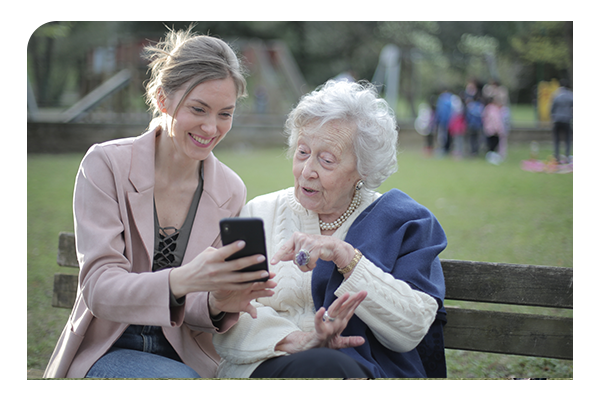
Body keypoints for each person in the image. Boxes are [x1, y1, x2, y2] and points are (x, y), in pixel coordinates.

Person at [43, 27, 276, 379]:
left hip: (187, 357)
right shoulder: (105, 165)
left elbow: (197, 305)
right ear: (161, 98)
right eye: (198, 109)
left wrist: (217, 301)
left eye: (225, 113)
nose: (211, 128)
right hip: (107, 349)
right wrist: (182, 279)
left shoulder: (230, 188)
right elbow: (99, 288)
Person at [213, 80, 448, 379]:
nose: (307, 170)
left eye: (326, 160)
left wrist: (347, 257)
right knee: (324, 367)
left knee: (330, 369)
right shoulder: (259, 213)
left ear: (363, 169)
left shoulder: (403, 222)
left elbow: (412, 328)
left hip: (358, 372)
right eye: (302, 152)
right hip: (265, 366)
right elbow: (228, 309)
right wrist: (295, 340)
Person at [550, 79, 573, 163]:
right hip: (567, 119)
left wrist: (552, 117)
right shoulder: (570, 95)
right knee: (567, 139)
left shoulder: (556, 94)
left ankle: (556, 157)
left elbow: (552, 108)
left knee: (556, 139)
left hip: (557, 120)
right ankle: (567, 156)